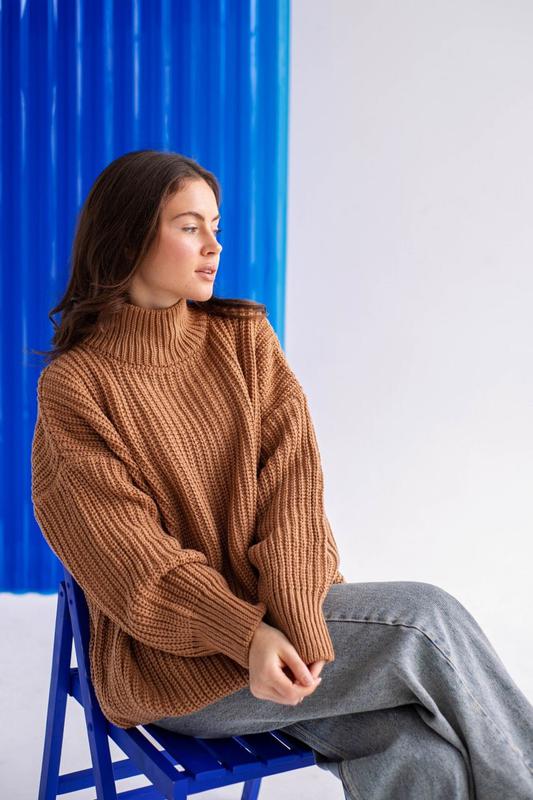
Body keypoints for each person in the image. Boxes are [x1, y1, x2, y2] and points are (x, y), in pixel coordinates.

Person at [30, 149, 533, 800]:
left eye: (215, 226)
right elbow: (136, 567)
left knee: (416, 750)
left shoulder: (244, 339)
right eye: (189, 226)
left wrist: (292, 620)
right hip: (181, 669)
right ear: (128, 238)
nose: (213, 246)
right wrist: (246, 638)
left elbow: (293, 495)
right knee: (422, 623)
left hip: (289, 636)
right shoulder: (76, 389)